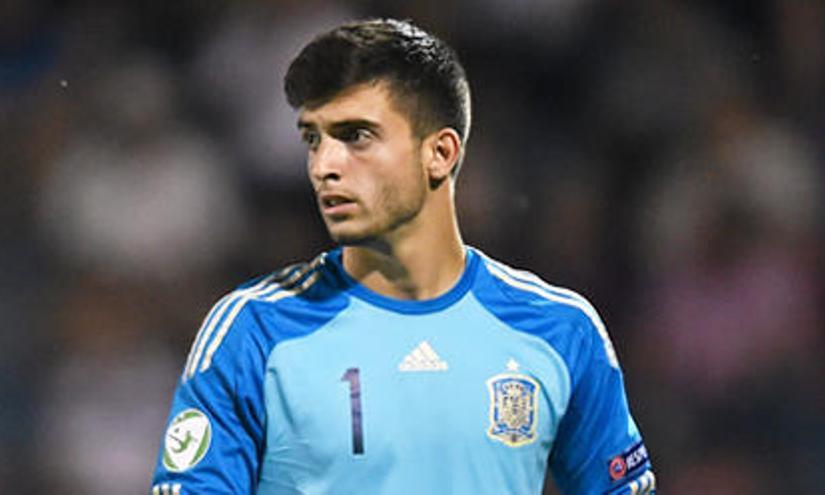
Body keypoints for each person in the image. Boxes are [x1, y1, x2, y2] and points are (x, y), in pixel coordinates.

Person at [150, 18, 655, 495]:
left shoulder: (557, 329)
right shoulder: (254, 331)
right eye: (313, 139)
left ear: (440, 153)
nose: (324, 165)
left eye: (356, 136)